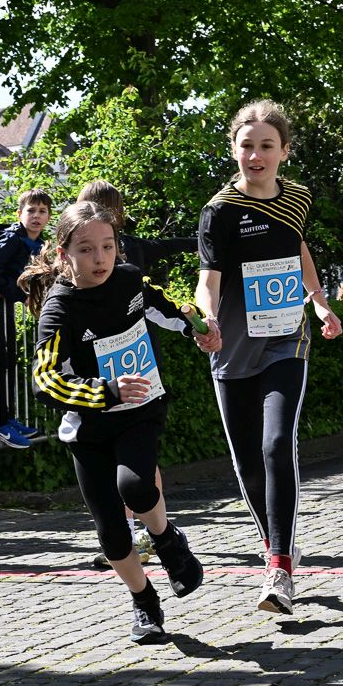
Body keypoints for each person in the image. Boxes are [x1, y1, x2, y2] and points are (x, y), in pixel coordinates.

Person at [24, 200, 218, 644]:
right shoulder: (59, 309)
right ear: (64, 254)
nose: (100, 258)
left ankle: (167, 540)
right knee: (111, 535)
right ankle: (145, 601)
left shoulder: (130, 279)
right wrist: (104, 391)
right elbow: (44, 380)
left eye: (108, 246)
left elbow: (169, 306)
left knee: (136, 486)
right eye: (87, 249)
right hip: (90, 427)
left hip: (141, 410)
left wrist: (199, 328)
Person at [194, 99, 342, 614]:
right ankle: (277, 541)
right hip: (232, 346)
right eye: (246, 146)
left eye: (266, 146)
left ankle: (278, 567)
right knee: (247, 464)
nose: (255, 156)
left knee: (277, 443)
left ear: (284, 151)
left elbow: (298, 250)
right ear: (233, 149)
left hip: (286, 339)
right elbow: (208, 280)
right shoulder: (219, 211)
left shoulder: (297, 198)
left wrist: (318, 302)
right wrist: (208, 319)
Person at [75, 180, 201, 568]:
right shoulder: (74, 258)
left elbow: (167, 257)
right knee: (113, 461)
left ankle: (150, 532)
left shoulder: (132, 250)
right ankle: (129, 535)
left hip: (137, 360)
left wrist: (206, 242)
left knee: (139, 459)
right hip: (98, 369)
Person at [0, 188, 52, 448]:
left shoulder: (39, 243)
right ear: (19, 213)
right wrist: (17, 294)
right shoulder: (12, 239)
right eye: (31, 210)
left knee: (9, 361)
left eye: (42, 211)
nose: (36, 216)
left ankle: (8, 418)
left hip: (6, 307)